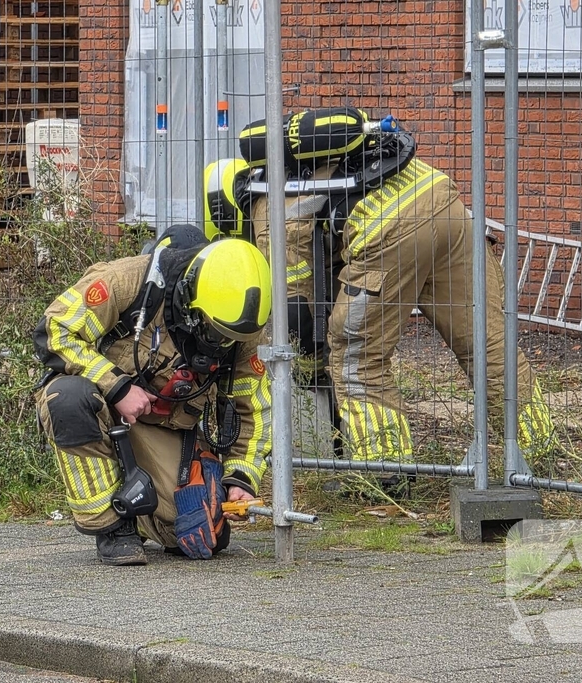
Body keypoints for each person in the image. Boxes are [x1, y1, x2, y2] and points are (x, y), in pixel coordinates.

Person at [206, 106, 554, 468]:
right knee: (487, 343)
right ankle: (537, 449)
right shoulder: (310, 167)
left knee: (356, 358)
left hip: (389, 231)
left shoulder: (267, 209)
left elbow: (295, 309)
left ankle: (385, 470)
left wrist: (311, 366)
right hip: (445, 206)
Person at [33, 227, 273, 565]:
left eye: (228, 336)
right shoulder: (127, 281)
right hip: (104, 407)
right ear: (191, 299)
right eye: (213, 331)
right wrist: (117, 387)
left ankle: (143, 510)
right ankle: (112, 527)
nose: (221, 343)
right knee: (67, 398)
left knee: (206, 534)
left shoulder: (241, 329)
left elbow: (253, 411)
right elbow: (55, 331)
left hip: (163, 428)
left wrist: (241, 478)